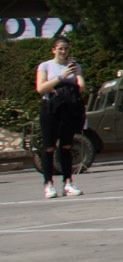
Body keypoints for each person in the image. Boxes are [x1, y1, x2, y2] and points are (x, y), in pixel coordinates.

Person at [35, 36, 86, 198]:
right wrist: (60, 77)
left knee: (66, 146)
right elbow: (41, 88)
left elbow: (81, 86)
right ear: (54, 49)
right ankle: (48, 184)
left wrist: (77, 76)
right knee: (49, 147)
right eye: (60, 48)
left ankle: (68, 182)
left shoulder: (74, 65)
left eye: (66, 48)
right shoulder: (45, 66)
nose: (63, 51)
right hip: (50, 108)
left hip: (69, 109)